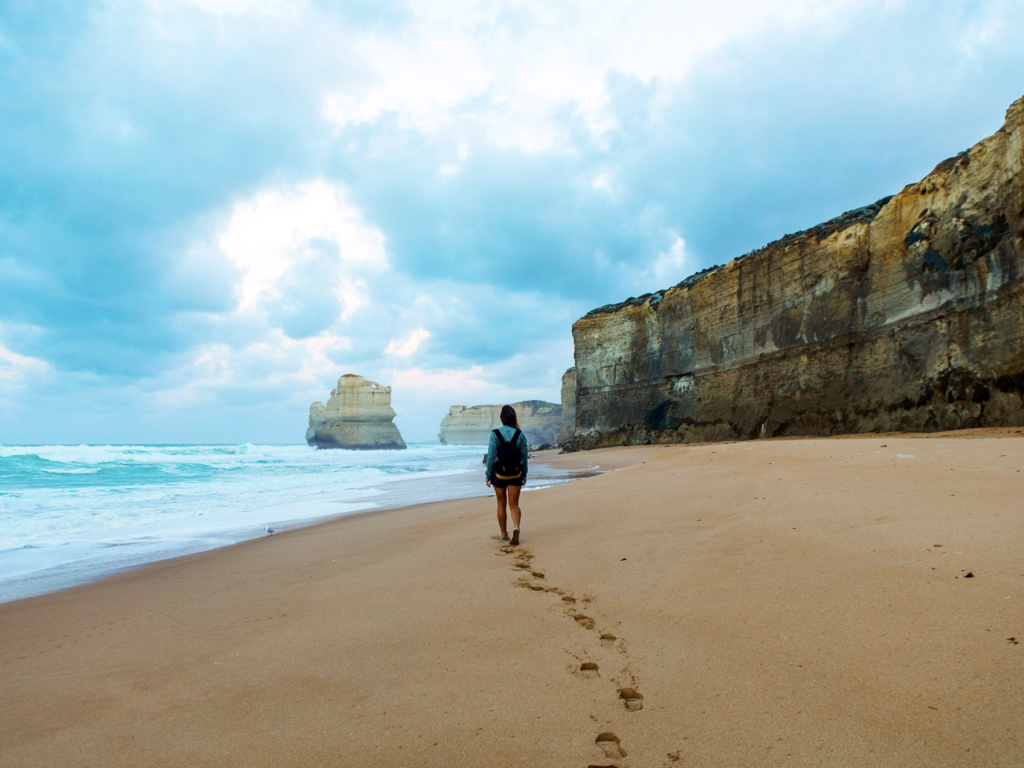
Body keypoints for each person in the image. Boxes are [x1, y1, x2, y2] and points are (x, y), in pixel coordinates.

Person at [485, 405, 529, 545]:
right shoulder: (520, 434)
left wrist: (487, 474)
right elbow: (524, 456)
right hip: (516, 473)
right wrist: (524, 474)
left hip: (499, 474)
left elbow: (491, 456)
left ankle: (504, 534)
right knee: (514, 505)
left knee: (501, 504)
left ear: (502, 418)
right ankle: (516, 527)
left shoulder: (495, 434)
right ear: (513, 417)